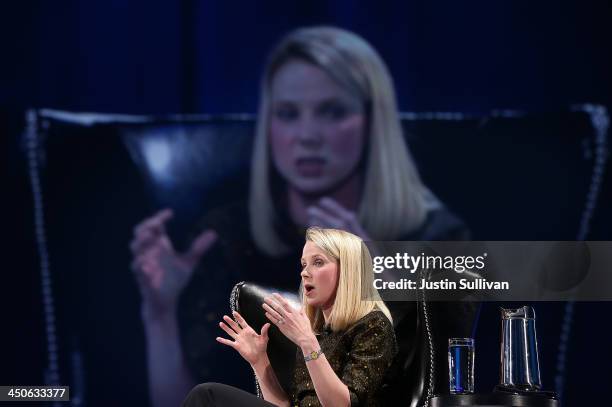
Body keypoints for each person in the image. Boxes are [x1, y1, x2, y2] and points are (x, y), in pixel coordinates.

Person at [130, 26, 468, 407]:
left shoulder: (379, 312)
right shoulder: (226, 237)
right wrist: (256, 362)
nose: (308, 135)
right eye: (288, 114)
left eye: (333, 111)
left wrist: (311, 338)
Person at [182, 227, 398, 407]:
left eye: (318, 262)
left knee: (207, 396)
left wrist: (307, 343)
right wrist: (260, 361)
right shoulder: (317, 332)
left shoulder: (372, 325)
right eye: (304, 264)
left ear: (348, 270)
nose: (304, 272)